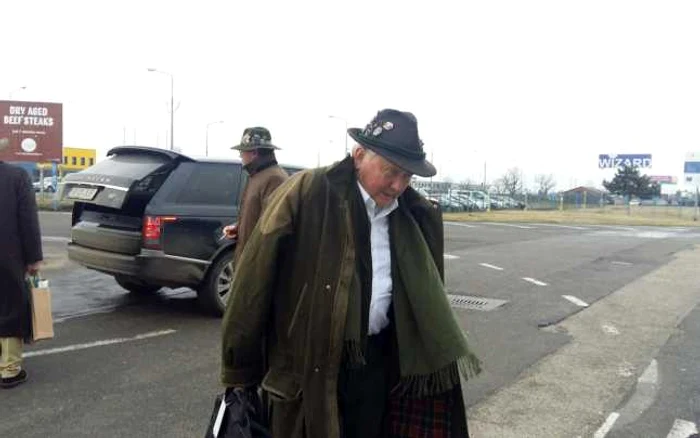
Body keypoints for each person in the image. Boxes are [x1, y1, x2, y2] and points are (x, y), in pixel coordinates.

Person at [220, 109, 481, 437]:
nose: (399, 185)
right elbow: (251, 285)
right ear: (359, 155)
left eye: (408, 176)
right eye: (391, 171)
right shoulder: (306, 193)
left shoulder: (412, 216)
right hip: (309, 367)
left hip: (377, 367)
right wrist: (239, 376)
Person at [0, 137, 43, 389]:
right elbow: (27, 221)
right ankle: (9, 370)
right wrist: (33, 258)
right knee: (9, 306)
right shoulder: (16, 177)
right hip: (7, 257)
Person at [222, 127, 289, 264]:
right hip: (247, 260)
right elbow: (257, 215)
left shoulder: (275, 179)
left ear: (254, 153)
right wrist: (239, 227)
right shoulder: (257, 176)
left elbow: (273, 228)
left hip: (258, 265)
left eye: (242, 151)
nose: (240, 156)